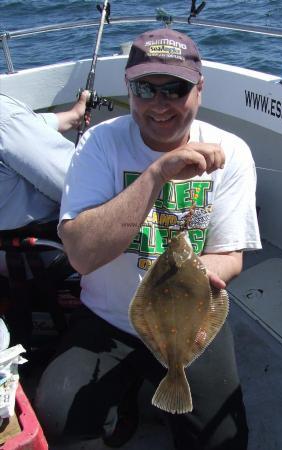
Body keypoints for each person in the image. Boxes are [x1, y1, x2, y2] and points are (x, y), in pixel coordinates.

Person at [35, 28, 262, 449]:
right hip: (108, 318)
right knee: (57, 416)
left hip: (188, 321)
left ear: (199, 88)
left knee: (224, 441)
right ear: (128, 88)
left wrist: (191, 277)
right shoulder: (99, 143)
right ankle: (127, 404)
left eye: (175, 89)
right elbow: (82, 256)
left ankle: (156, 396)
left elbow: (229, 255)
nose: (160, 104)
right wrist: (156, 174)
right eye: (145, 88)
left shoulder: (232, 152)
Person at [0, 91, 89, 275]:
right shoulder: (6, 118)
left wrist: (73, 117)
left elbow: (21, 127)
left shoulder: (10, 121)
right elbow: (77, 186)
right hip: (40, 259)